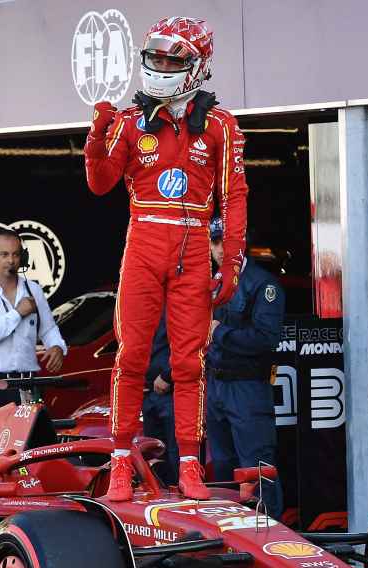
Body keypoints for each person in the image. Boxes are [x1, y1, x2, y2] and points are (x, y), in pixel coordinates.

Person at [84, 16, 248, 501]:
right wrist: (96, 138)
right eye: (154, 57)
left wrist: (232, 261)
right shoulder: (132, 122)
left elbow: (234, 196)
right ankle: (119, 463)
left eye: (172, 60)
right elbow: (101, 183)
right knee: (131, 356)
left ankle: (191, 466)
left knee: (188, 363)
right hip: (143, 245)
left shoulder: (220, 125)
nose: (160, 66)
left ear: (197, 66)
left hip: (195, 246)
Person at [205, 218, 285, 518]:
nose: (220, 248)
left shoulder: (264, 284)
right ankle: (232, 545)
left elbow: (266, 339)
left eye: (227, 240)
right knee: (223, 471)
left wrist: (218, 332)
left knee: (257, 470)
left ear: (242, 242)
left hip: (248, 388)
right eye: (215, 241)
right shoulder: (211, 283)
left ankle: (277, 547)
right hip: (216, 387)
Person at [0, 229, 66, 415]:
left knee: (32, 442)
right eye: (4, 254)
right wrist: (17, 313)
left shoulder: (34, 290)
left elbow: (49, 329)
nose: (11, 260)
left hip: (28, 381)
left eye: (16, 254)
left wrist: (57, 346)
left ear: (23, 258)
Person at [142, 310, 179, 485]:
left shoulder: (177, 298)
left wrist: (169, 375)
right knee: (153, 456)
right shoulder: (145, 302)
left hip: (173, 391)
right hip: (147, 391)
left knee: (177, 455)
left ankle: (184, 506)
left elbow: (189, 343)